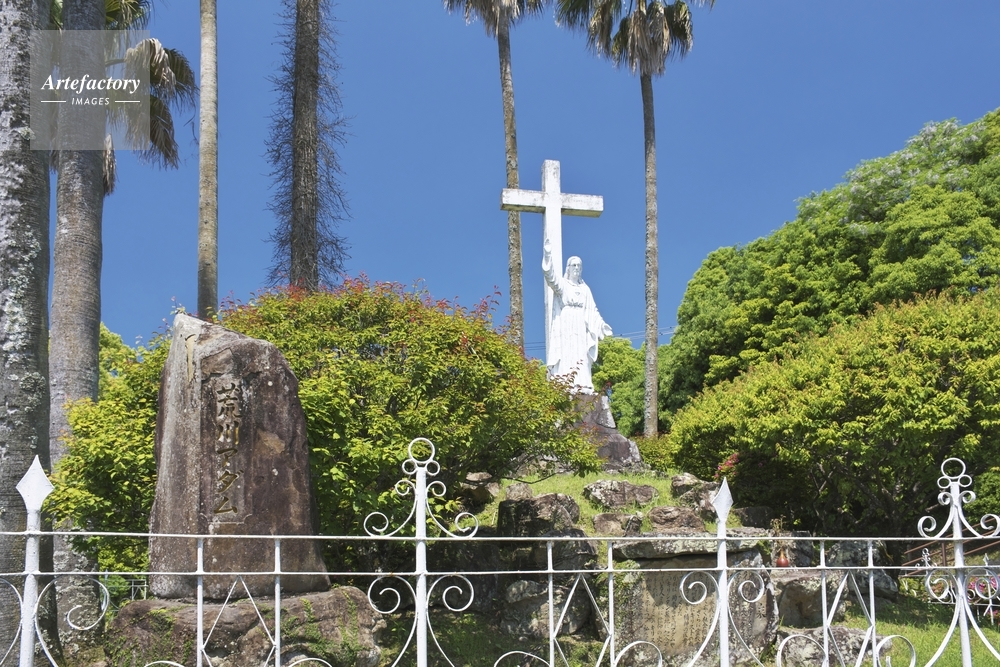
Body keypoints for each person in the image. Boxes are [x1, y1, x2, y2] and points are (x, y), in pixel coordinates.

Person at [542, 240, 612, 392]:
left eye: (579, 266)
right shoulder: (563, 284)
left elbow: (592, 310)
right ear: (568, 268)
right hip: (566, 322)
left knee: (581, 352)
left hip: (580, 324)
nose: (576, 268)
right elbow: (550, 277)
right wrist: (547, 255)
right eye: (574, 265)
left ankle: (582, 382)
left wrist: (601, 325)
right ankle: (565, 381)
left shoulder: (585, 289)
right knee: (567, 351)